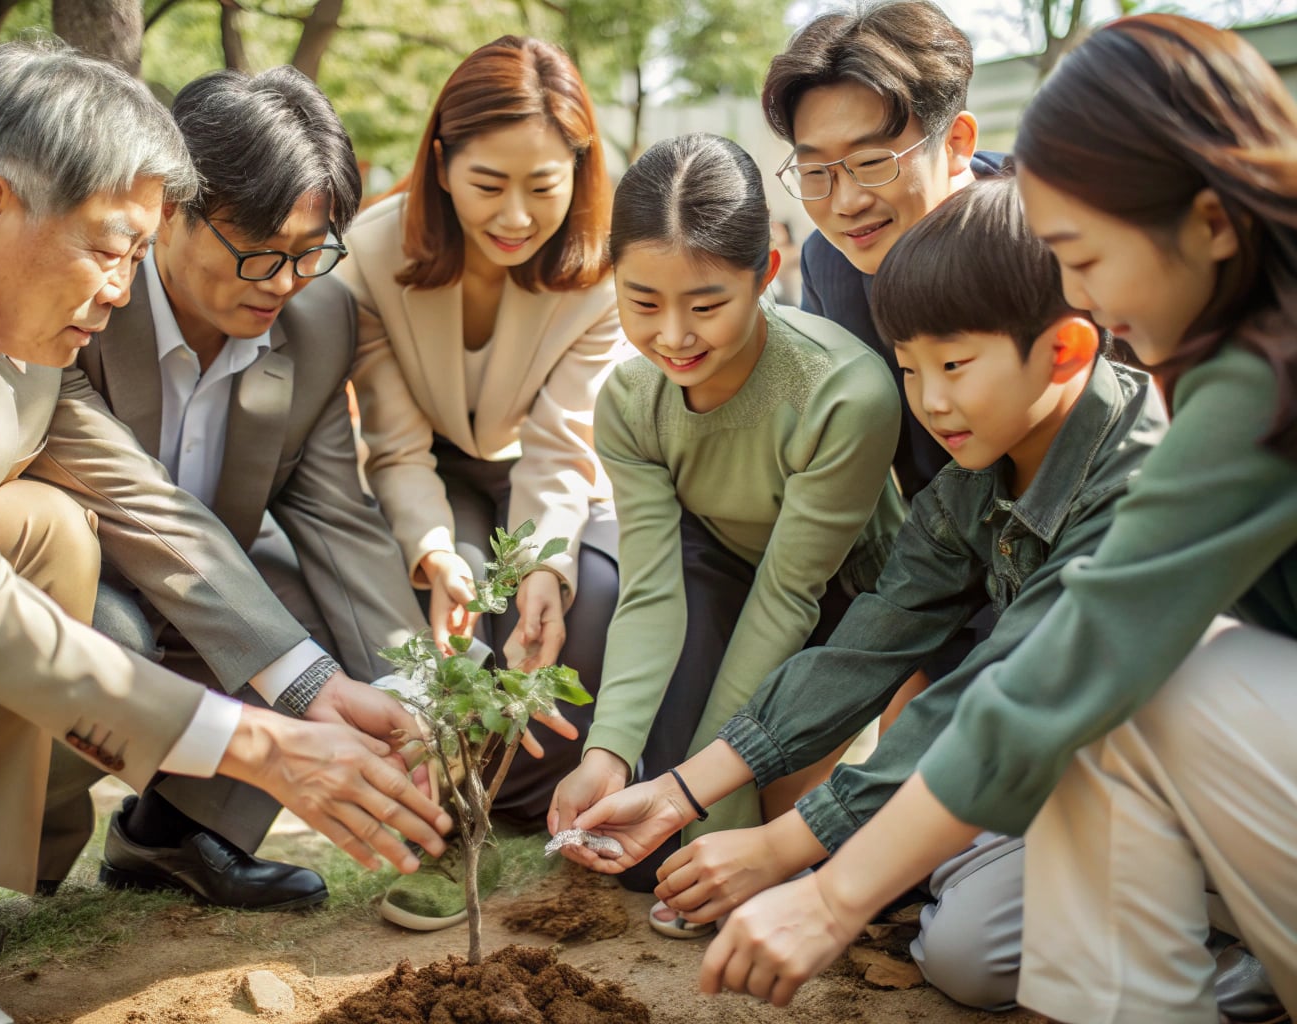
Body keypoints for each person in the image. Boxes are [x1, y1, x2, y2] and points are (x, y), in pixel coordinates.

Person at [611, 14, 1297, 1020]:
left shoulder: (1184, 400)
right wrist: (683, 790)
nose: (1079, 292)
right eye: (908, 369)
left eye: (1084, 255)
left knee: (1126, 680)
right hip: (1140, 713)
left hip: (1180, 705)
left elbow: (1065, 658)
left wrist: (823, 880)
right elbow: (888, 626)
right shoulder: (971, 435)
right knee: (988, 892)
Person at [0, 42, 449, 1024]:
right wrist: (263, 746)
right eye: (111, 248)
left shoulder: (5, 321)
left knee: (44, 528)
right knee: (24, 593)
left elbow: (146, 505)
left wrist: (319, 692)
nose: (125, 289)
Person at [563, 173, 1166, 1009]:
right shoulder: (974, 474)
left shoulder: (1139, 478)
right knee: (954, 929)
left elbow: (993, 695)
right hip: (1067, 766)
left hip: (1177, 768)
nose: (932, 403)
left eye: (954, 366)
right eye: (911, 370)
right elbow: (870, 640)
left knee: (953, 933)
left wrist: (786, 848)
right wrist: (678, 793)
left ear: (1063, 350)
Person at [34, 65, 432, 912]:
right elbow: (135, 501)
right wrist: (304, 682)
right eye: (260, 249)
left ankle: (176, 834)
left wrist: (417, 698)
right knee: (117, 629)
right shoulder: (81, 299)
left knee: (305, 600)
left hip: (199, 595)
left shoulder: (320, 323)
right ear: (170, 209)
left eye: (311, 252)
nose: (283, 282)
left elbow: (339, 518)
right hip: (63, 583)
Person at [551, 134, 905, 927]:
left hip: (843, 599)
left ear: (766, 273)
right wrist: (608, 751)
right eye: (644, 303)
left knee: (716, 832)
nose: (675, 337)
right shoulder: (630, 403)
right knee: (652, 864)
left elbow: (790, 594)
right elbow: (651, 589)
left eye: (707, 306)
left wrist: (706, 798)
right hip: (718, 574)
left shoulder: (842, 391)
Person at [337, 36, 624, 929]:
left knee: (584, 600)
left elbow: (562, 446)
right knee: (452, 625)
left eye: (544, 186)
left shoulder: (601, 271)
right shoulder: (371, 253)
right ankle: (455, 813)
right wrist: (434, 554)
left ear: (579, 172)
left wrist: (543, 565)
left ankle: (516, 806)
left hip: (552, 472)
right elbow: (394, 444)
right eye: (489, 184)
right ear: (440, 163)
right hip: (432, 470)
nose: (516, 216)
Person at [763, 0, 1003, 500]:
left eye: (872, 162)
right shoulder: (829, 262)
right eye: (814, 172)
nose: (846, 203)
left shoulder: (1053, 224)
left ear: (956, 142)